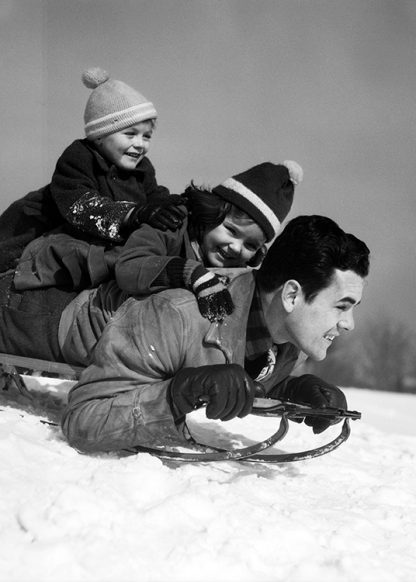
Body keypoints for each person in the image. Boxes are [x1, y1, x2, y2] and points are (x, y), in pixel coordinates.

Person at [59, 214, 370, 454]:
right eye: (341, 306)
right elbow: (83, 421)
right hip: (45, 320)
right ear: (291, 296)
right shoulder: (176, 315)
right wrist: (177, 394)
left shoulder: (285, 333)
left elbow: (238, 358)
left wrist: (290, 391)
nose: (348, 324)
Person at [13, 160, 302, 326]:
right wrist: (192, 273)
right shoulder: (172, 223)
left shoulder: (230, 267)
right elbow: (130, 268)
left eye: (250, 245)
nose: (235, 248)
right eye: (230, 230)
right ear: (212, 213)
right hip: (55, 274)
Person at [0, 67, 185, 273]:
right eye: (130, 134)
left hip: (84, 238)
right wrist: (132, 214)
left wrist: (173, 205)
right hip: (33, 229)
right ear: (100, 136)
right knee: (15, 268)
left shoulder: (143, 168)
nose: (140, 144)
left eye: (147, 136)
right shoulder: (79, 157)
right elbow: (83, 207)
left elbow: (152, 196)